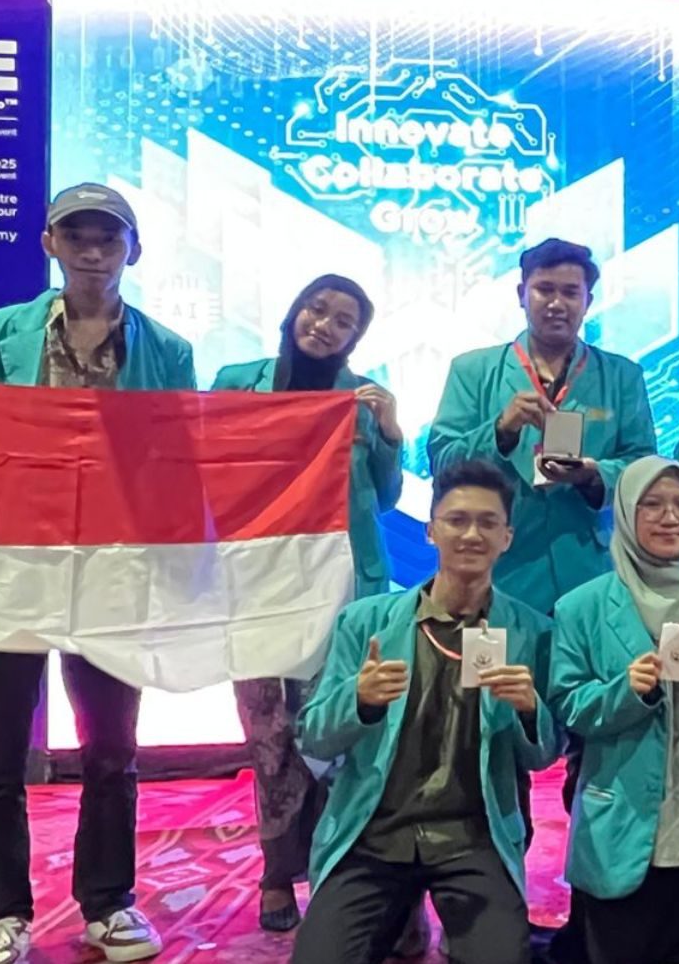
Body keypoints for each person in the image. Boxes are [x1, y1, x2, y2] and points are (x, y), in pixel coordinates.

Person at [0, 183, 193, 964]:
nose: (92, 251)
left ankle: (109, 905)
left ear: (133, 251)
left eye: (108, 238)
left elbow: (177, 464)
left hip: (112, 573)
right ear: (49, 243)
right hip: (9, 569)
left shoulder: (169, 351)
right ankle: (2, 915)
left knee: (112, 750)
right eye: (76, 235)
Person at [288, 460, 558, 963]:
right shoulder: (365, 623)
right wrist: (359, 700)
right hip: (373, 833)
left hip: (473, 836)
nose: (471, 534)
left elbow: (542, 755)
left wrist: (528, 710)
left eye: (488, 522)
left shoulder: (532, 632)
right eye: (456, 520)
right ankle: (403, 920)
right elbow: (313, 737)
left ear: (507, 537)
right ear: (430, 531)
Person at [210, 274, 404, 932]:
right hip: (259, 586)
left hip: (342, 589)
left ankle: (337, 867)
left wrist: (390, 433)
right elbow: (209, 470)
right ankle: (276, 872)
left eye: (344, 321)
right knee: (270, 735)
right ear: (295, 311)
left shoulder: (361, 398)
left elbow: (385, 497)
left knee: (338, 730)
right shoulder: (238, 383)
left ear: (356, 337)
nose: (325, 325)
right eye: (317, 310)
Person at [546, 458, 679, 964]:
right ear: (626, 512)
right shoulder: (581, 607)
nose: (671, 517)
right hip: (622, 826)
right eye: (652, 504)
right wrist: (627, 692)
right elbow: (567, 706)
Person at [427, 237, 657, 610]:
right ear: (522, 294)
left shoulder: (622, 376)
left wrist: (593, 475)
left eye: (570, 292)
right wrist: (500, 430)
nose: (556, 303)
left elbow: (644, 469)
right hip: (495, 569)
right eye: (544, 289)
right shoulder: (472, 371)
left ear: (588, 301)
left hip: (587, 569)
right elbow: (443, 464)